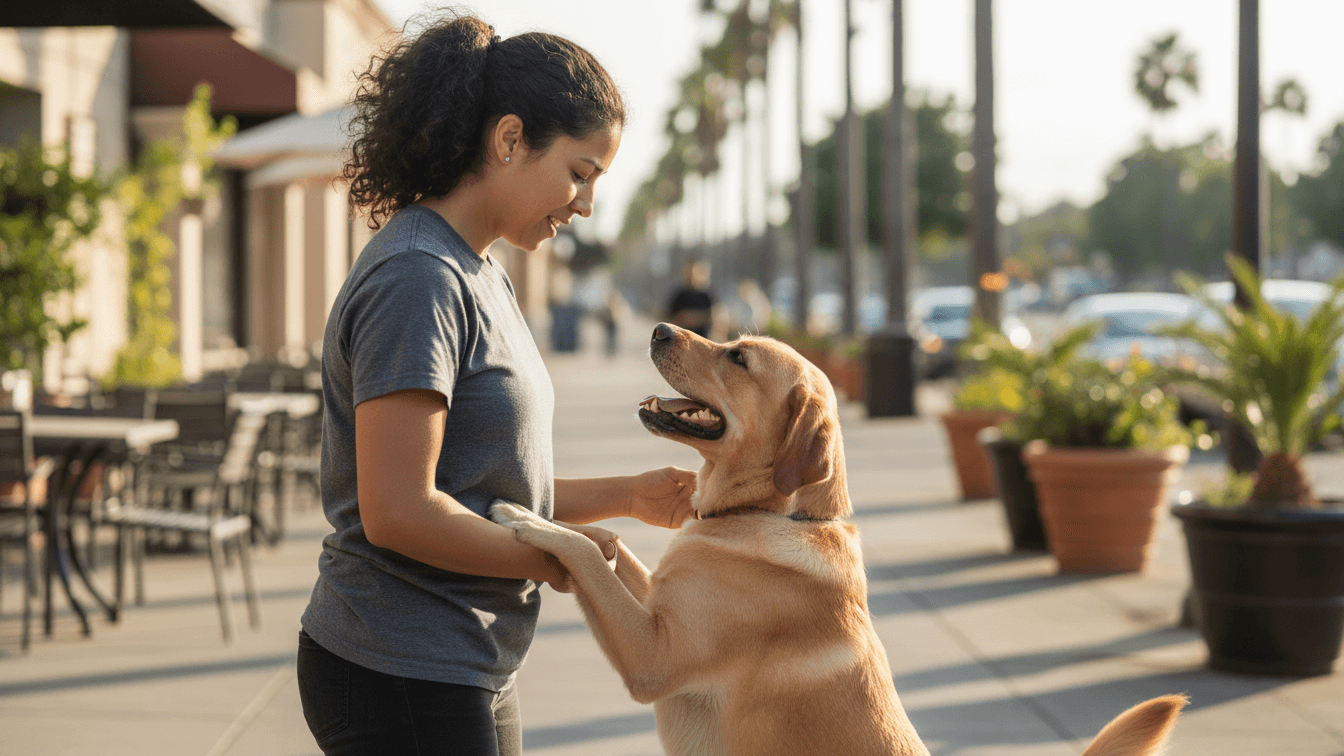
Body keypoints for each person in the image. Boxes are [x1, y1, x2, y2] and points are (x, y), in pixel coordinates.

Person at [295, 13, 697, 756]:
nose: (585, 205)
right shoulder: (420, 277)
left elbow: (485, 487)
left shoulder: (479, 270)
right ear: (510, 139)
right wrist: (567, 559)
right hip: (398, 665)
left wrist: (630, 495)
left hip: (464, 660)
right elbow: (399, 512)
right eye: (580, 173)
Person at [666, 260, 714, 337]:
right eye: (690, 273)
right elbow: (669, 316)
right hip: (682, 337)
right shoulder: (679, 295)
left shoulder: (706, 296)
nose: (692, 276)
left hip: (702, 337)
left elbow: (713, 317)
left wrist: (695, 318)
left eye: (695, 273)